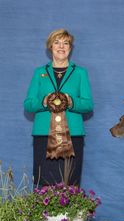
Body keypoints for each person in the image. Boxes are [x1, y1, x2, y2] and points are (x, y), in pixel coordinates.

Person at [24, 29, 93, 187]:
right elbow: (28, 104)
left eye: (66, 43)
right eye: (57, 42)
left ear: (70, 48)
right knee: (44, 181)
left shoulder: (80, 73)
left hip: (72, 136)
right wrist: (43, 101)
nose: (61, 46)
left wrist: (71, 101)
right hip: (43, 135)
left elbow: (88, 104)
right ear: (50, 47)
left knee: (70, 180)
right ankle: (44, 212)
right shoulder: (39, 73)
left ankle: (70, 212)